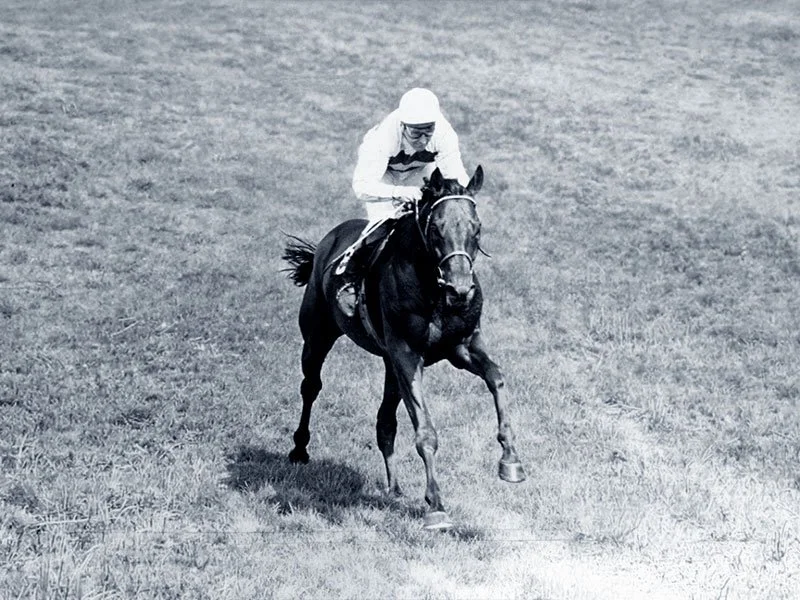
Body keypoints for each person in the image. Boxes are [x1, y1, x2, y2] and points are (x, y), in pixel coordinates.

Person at [335, 87, 471, 317]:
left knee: (434, 225)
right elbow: (362, 187)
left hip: (421, 172)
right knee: (385, 223)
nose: (424, 139)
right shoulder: (381, 140)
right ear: (402, 126)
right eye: (416, 133)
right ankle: (350, 280)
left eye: (428, 131)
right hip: (384, 177)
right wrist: (398, 192)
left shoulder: (445, 134)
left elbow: (456, 178)